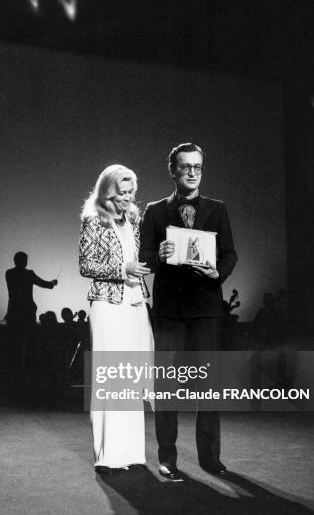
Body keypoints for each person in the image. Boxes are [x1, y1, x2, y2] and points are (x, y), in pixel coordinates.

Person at [140, 142, 238, 481]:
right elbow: (144, 259)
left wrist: (218, 273)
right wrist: (159, 255)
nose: (193, 172)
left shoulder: (217, 208)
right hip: (169, 311)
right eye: (185, 167)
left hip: (207, 309)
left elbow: (229, 254)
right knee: (166, 389)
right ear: (173, 170)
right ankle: (167, 458)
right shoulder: (154, 211)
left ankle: (210, 459)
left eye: (197, 167)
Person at [79, 164, 153, 473]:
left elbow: (142, 255)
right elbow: (85, 264)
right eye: (121, 191)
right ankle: (109, 456)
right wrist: (122, 270)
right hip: (108, 304)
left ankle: (133, 454)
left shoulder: (134, 220)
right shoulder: (93, 219)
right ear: (108, 190)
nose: (127, 197)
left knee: (132, 378)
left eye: (131, 191)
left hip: (135, 302)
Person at [5, 252, 57, 363]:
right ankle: (30, 363)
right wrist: (52, 283)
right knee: (30, 338)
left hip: (14, 310)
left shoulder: (9, 273)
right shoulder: (29, 274)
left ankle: (14, 363)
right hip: (27, 310)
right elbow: (44, 284)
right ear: (25, 261)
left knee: (14, 339)